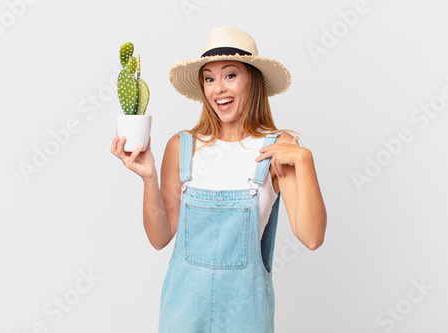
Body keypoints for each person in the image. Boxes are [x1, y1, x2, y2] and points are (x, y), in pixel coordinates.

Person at [111, 27, 327, 333]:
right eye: (209, 78)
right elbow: (159, 239)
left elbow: (312, 237)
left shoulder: (279, 148)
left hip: (246, 318)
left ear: (253, 80)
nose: (218, 89)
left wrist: (305, 160)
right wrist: (148, 179)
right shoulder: (183, 146)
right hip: (181, 316)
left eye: (230, 75)